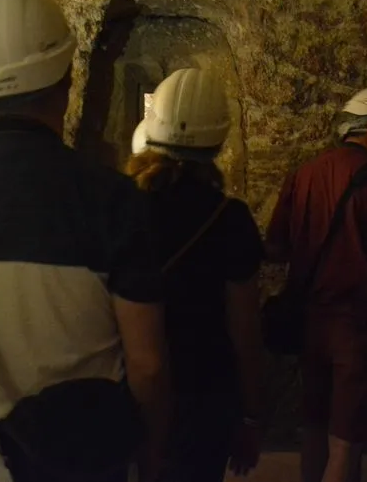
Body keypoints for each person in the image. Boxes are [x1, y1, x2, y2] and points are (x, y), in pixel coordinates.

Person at [0, 0, 170, 482]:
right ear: (66, 78)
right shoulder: (111, 201)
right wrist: (152, 456)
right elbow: (148, 365)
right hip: (84, 465)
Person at [265, 86, 367, 482]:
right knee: (346, 443)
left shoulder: (302, 174)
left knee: (314, 429)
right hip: (359, 327)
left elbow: (276, 248)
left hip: (309, 323)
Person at [124, 69, 264, 482]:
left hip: (127, 392)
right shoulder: (230, 219)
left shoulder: (116, 208)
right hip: (203, 399)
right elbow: (244, 331)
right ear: (218, 138)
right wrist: (251, 417)